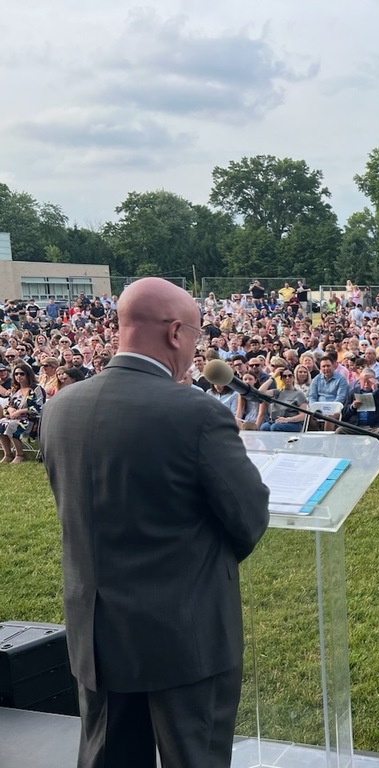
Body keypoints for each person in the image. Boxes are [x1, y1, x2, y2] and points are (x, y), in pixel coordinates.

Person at [40, 278, 270, 768]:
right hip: (184, 635)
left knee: (107, 758)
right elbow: (249, 519)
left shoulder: (60, 408)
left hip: (97, 630)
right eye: (195, 334)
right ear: (174, 334)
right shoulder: (197, 414)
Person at [1, 362, 42, 463]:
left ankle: (20, 454)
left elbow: (39, 407)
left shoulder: (36, 389)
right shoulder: (15, 390)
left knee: (12, 424)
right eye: (16, 374)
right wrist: (10, 410)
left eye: (22, 374)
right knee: (1, 422)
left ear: (28, 374)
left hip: (31, 420)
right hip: (14, 418)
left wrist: (21, 411)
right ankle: (8, 454)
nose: (18, 376)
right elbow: (8, 406)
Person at [340, 368, 379, 436]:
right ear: (360, 381)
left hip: (375, 426)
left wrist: (376, 391)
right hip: (356, 426)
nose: (366, 384)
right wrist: (352, 407)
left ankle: (373, 446)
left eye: (369, 382)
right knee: (340, 430)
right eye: (364, 381)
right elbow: (344, 415)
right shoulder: (353, 392)